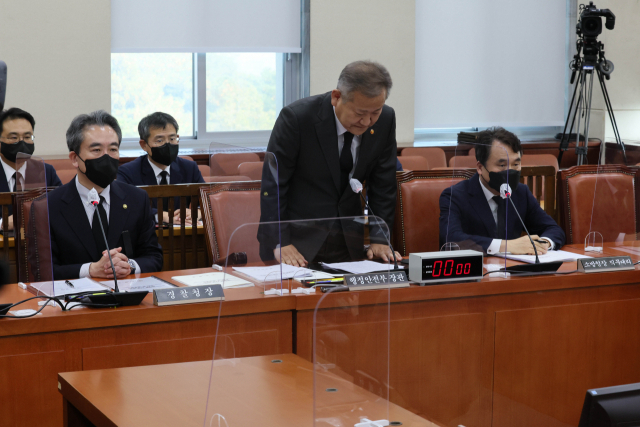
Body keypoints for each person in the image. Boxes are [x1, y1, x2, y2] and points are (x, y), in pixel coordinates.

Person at [259, 60, 401, 266]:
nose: (367, 122)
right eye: (360, 113)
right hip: (296, 241)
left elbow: (384, 184)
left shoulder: (386, 119)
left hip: (348, 240)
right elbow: (274, 185)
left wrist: (380, 238)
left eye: (375, 112)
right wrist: (280, 241)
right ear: (336, 97)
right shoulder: (297, 118)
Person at [48, 110, 163, 280]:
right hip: (73, 295)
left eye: (113, 149)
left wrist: (129, 266)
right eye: (96, 150)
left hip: (127, 291)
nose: (106, 157)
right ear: (74, 158)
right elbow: (44, 270)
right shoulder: (49, 205)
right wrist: (90, 270)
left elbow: (154, 257)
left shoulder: (137, 199)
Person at [439, 127, 565, 254]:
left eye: (516, 164)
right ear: (480, 168)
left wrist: (542, 244)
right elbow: (451, 239)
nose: (510, 171)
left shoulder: (521, 193)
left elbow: (553, 229)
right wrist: (507, 246)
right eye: (502, 165)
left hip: (514, 266)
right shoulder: (455, 196)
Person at [117, 112, 204, 225]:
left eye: (172, 139)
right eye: (159, 140)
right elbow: (125, 206)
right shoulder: (128, 172)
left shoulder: (189, 168)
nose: (168, 145)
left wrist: (197, 212)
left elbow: (208, 200)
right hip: (146, 233)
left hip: (183, 231)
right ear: (144, 145)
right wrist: (163, 216)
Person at [0, 108, 62, 230]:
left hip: (38, 239)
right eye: (14, 137)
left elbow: (62, 209)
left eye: (27, 137)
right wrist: (3, 223)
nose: (22, 143)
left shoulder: (46, 172)